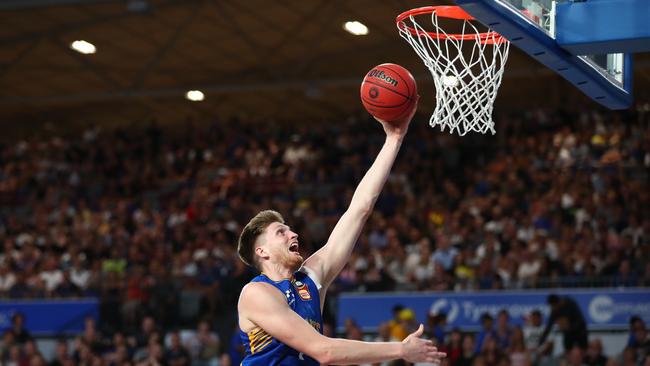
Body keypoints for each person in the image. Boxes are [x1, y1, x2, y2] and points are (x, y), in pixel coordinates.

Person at [236, 101, 446, 365]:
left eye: (290, 229)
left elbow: (360, 209)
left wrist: (394, 140)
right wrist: (400, 350)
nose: (293, 235)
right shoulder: (257, 293)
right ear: (262, 251)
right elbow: (324, 351)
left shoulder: (309, 281)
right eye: (281, 232)